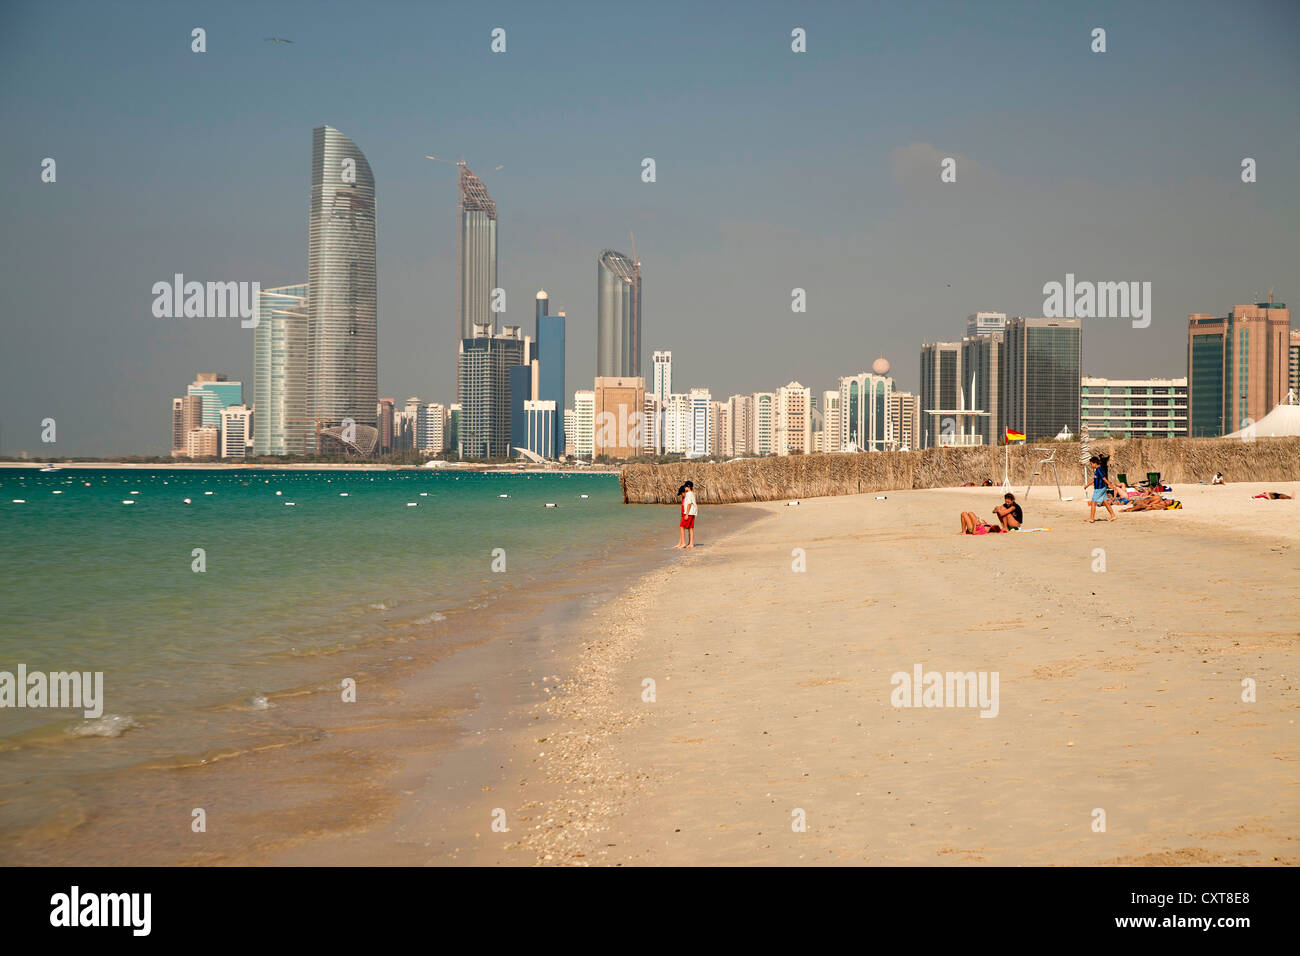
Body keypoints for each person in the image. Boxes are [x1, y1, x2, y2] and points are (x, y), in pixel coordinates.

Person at [1085, 454, 1119, 523]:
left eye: (1091, 464)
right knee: (1105, 502)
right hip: (1102, 488)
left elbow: (1104, 478)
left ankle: (1091, 518)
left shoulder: (1099, 469)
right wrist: (1087, 485)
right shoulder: (1097, 470)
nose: (1091, 465)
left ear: (1095, 463)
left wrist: (1110, 485)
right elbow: (1094, 479)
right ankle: (1113, 516)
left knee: (1093, 502)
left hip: (1100, 488)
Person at [674, 480, 697, 549]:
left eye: (685, 486)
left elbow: (689, 504)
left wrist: (686, 514)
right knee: (690, 528)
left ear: (688, 487)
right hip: (692, 513)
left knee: (682, 527)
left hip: (689, 513)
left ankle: (683, 543)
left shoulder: (689, 494)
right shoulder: (691, 494)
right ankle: (691, 543)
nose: (685, 487)